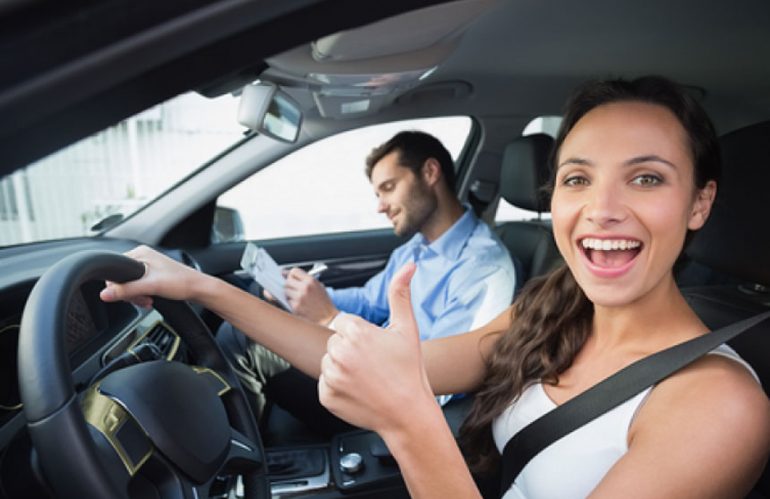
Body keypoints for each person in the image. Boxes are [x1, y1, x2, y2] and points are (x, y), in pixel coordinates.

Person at [101, 76, 770, 498]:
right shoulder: (552, 307)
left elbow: (407, 400)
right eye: (577, 178)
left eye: (646, 177)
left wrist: (409, 421)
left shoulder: (720, 405)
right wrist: (201, 288)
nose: (602, 209)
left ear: (700, 203)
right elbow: (363, 359)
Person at [215, 130, 517, 431]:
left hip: (389, 399)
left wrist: (330, 319)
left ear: (429, 172)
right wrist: (305, 296)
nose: (380, 206)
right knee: (257, 307)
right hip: (373, 364)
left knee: (243, 338)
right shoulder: (416, 247)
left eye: (389, 187)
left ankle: (241, 467)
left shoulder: (483, 268)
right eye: (378, 194)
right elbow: (371, 302)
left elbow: (435, 382)